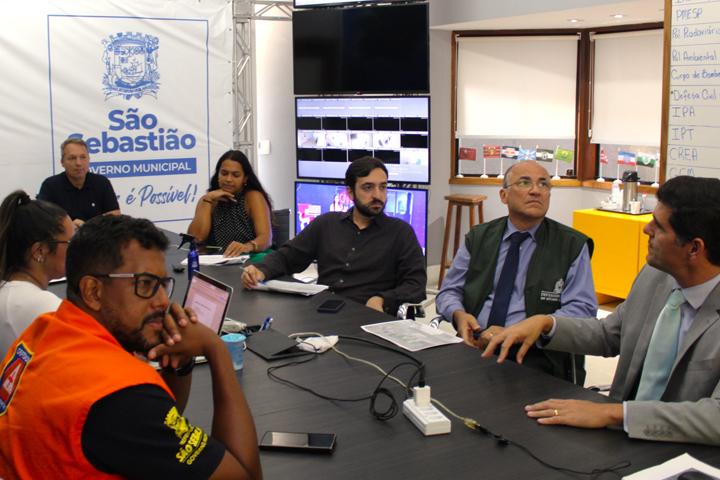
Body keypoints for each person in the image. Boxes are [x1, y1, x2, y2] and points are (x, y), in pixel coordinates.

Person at [0, 215, 262, 478]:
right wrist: (215, 348)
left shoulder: (40, 333)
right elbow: (245, 476)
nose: (162, 302)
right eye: (145, 284)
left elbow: (154, 430)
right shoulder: (118, 396)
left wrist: (181, 362)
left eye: (162, 285)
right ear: (93, 291)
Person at [484, 176, 720, 446]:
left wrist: (612, 413)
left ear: (694, 248)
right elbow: (610, 334)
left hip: (684, 454)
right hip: (622, 440)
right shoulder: (655, 276)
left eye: (659, 226)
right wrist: (546, 324)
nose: (646, 230)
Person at [435, 160, 597, 383]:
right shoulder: (479, 237)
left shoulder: (571, 245)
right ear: (503, 195)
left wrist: (536, 326)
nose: (535, 191)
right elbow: (449, 291)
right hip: (475, 345)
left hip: (537, 355)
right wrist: (458, 315)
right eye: (524, 183)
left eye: (544, 185)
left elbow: (583, 310)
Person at [242, 156, 426, 314]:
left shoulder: (400, 233)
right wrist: (261, 269)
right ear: (350, 192)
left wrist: (383, 299)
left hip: (369, 317)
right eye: (368, 188)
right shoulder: (327, 224)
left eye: (383, 187)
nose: (378, 195)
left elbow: (416, 285)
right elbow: (289, 256)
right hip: (322, 312)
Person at [0, 191, 73, 355]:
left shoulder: (8, 291)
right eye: (69, 242)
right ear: (40, 251)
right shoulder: (47, 308)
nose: (75, 250)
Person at [188, 150, 273, 257]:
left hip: (248, 259)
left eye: (235, 175)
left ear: (245, 178)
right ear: (218, 174)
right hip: (216, 260)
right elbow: (196, 238)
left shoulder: (253, 196)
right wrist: (207, 200)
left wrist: (247, 247)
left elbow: (266, 238)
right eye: (224, 173)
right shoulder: (208, 199)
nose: (228, 179)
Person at [37, 137, 121, 227]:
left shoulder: (101, 182)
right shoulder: (50, 186)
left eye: (83, 157)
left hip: (97, 237)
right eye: (72, 158)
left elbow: (115, 213)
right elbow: (41, 219)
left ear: (89, 159)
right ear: (62, 162)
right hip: (65, 238)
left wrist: (89, 226)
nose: (78, 163)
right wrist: (68, 226)